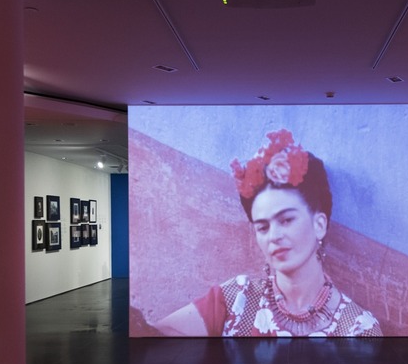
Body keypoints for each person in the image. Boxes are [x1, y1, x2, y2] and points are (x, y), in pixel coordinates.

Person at [152, 129, 382, 337]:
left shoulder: (357, 329)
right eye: (263, 227)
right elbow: (157, 340)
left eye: (287, 219)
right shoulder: (237, 299)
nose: (274, 236)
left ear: (319, 224)